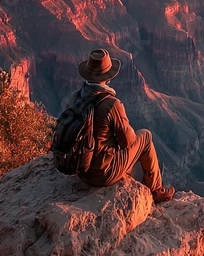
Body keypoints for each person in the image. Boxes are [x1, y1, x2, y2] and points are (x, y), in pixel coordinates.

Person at [61, 48, 175, 203]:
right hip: (103, 174)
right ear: (108, 77)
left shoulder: (75, 97)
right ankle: (156, 191)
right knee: (146, 136)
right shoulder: (111, 104)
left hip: (80, 170)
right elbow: (127, 141)